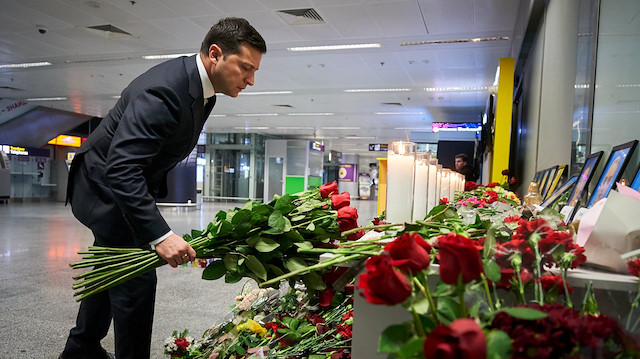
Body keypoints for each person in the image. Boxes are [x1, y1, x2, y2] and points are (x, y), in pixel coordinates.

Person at [59, 18, 266, 359]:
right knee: (137, 280)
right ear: (215, 54)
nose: (251, 80)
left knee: (111, 265)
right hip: (102, 186)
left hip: (117, 182)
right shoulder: (164, 92)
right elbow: (122, 167)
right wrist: (160, 235)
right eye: (246, 68)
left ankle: (80, 347)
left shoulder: (204, 92)